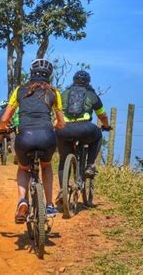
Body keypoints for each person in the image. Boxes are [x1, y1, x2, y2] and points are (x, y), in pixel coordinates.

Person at [0, 59, 66, 223]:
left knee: (23, 168)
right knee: (46, 166)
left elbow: (5, 118)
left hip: (24, 137)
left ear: (31, 73)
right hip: (47, 137)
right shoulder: (54, 93)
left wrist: (3, 128)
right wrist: (55, 125)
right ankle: (49, 205)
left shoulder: (20, 90)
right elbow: (61, 122)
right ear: (49, 76)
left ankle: (22, 201)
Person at [55, 70, 112, 204]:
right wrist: (106, 126)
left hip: (65, 130)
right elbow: (102, 116)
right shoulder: (92, 95)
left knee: (63, 159)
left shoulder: (63, 94)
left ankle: (63, 190)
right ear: (88, 82)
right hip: (85, 128)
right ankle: (90, 165)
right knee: (98, 136)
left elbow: (56, 112)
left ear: (73, 81)